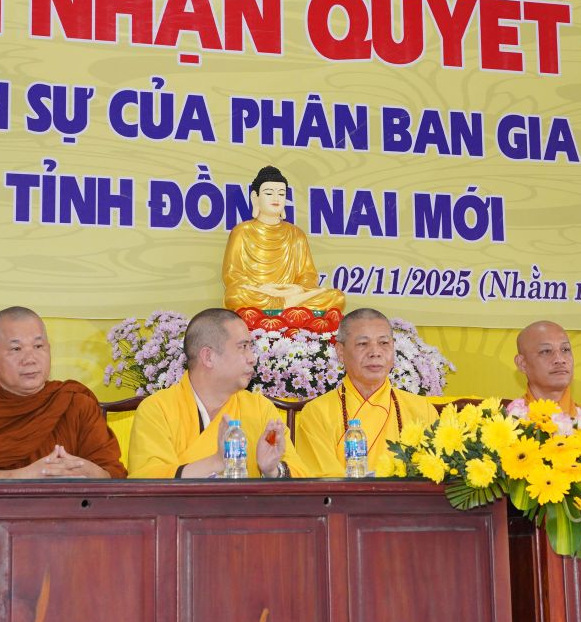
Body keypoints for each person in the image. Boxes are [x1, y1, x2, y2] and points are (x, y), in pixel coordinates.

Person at [0, 307, 126, 479]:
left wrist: (83, 469)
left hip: (66, 505)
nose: (30, 359)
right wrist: (23, 476)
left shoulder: (75, 403)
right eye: (16, 349)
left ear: (49, 349)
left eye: (38, 346)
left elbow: (113, 476)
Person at [127, 308, 294, 478]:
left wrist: (272, 471)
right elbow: (147, 481)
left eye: (250, 347)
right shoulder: (157, 409)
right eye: (243, 347)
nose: (252, 358)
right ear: (208, 357)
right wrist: (217, 462)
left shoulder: (260, 408)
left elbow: (301, 477)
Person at [294, 308, 438, 477]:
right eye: (363, 344)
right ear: (340, 351)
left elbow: (436, 474)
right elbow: (323, 482)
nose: (375, 353)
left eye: (384, 343)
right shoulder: (317, 413)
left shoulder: (422, 410)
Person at [222, 165, 345, 313]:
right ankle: (289, 306)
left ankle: (284, 305)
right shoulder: (242, 231)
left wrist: (297, 289)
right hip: (261, 293)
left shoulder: (296, 234)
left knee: (337, 297)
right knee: (235, 295)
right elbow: (232, 275)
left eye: (281, 194)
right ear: (255, 197)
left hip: (291, 292)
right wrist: (263, 288)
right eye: (269, 193)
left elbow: (308, 275)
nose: (276, 198)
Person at [514, 321, 581, 420]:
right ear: (522, 363)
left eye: (565, 350)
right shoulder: (510, 423)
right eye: (546, 351)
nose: (560, 359)